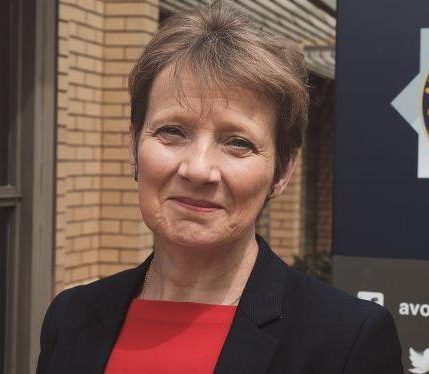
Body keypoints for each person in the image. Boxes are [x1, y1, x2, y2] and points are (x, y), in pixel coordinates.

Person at [36, 2, 403, 373]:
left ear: (282, 170)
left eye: (238, 142)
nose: (198, 170)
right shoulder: (70, 317)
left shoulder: (346, 341)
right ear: (133, 147)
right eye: (172, 131)